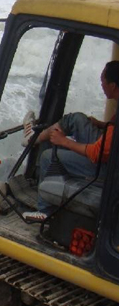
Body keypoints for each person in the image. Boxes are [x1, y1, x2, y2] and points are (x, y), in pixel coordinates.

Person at [22, 61, 119, 222]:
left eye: (103, 80)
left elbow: (97, 153)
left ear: (113, 86)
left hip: (110, 171)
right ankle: (33, 137)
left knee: (47, 156)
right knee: (77, 119)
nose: (101, 84)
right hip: (111, 157)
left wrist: (64, 142)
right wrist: (102, 125)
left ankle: (44, 212)